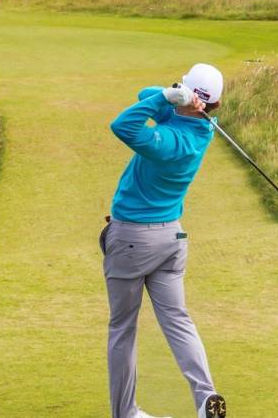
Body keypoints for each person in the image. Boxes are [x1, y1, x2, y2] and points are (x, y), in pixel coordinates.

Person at [103, 65, 228, 418]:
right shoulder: (203, 129)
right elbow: (146, 93)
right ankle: (206, 398)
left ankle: (125, 412)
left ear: (191, 97)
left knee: (122, 328)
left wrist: (166, 97)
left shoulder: (172, 142)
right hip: (172, 240)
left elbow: (122, 125)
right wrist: (172, 97)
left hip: (132, 239)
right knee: (178, 319)